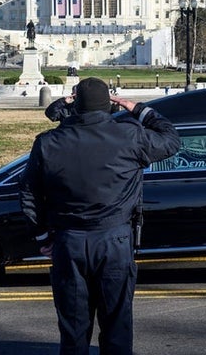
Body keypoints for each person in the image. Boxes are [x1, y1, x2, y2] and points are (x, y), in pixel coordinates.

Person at [19, 77, 180, 354]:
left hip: (68, 241)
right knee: (116, 325)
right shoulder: (129, 136)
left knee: (73, 330)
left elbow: (29, 193)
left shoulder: (49, 142)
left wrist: (43, 235)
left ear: (76, 105)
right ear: (109, 104)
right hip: (114, 240)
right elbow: (171, 139)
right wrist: (137, 108)